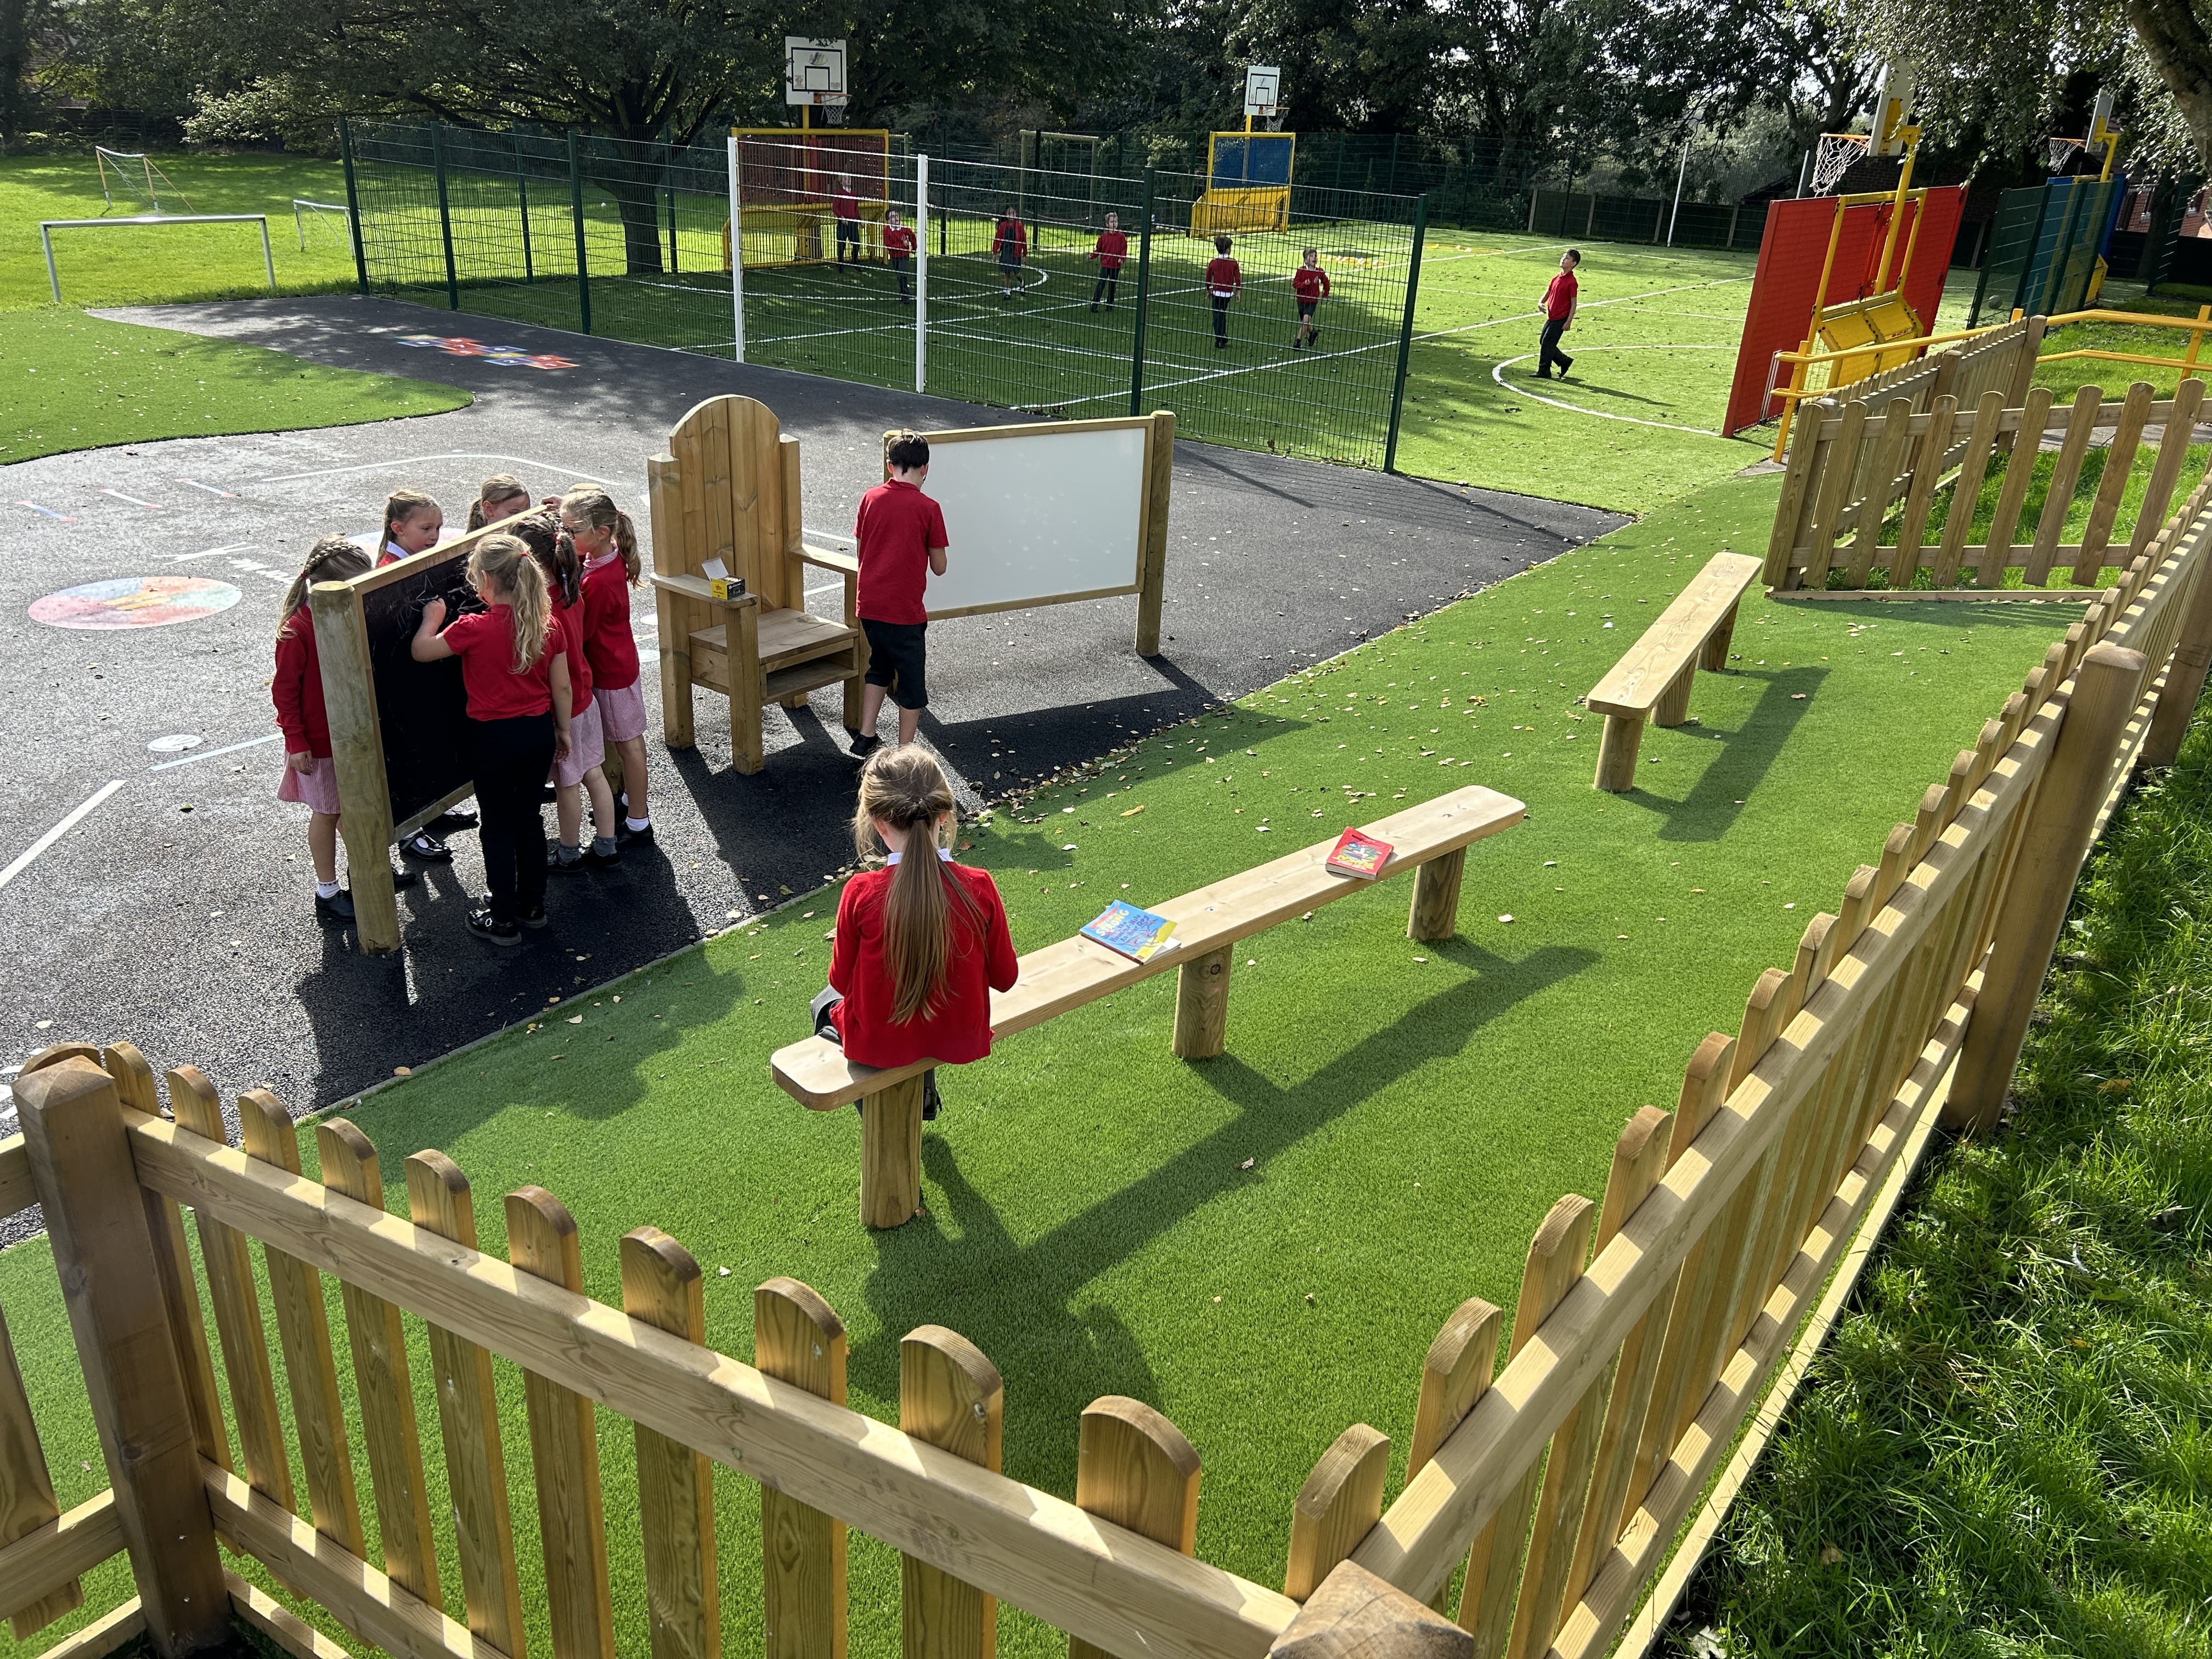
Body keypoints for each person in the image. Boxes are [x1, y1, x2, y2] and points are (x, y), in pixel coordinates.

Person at [813, 746, 1017, 1122]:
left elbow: (839, 981)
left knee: (822, 1003)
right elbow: (1006, 979)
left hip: (879, 1043)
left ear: (877, 823)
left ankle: (882, 1115)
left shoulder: (860, 892)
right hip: (956, 1033)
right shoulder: (980, 885)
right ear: (944, 814)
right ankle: (922, 1087)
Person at [409, 534, 572, 945]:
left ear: (484, 579)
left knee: (497, 827)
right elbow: (563, 687)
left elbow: (422, 653)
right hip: (537, 733)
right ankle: (532, 906)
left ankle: (502, 918)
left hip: (493, 739)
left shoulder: (473, 628)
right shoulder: (547, 626)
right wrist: (563, 730)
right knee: (530, 820)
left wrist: (432, 618)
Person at [274, 534, 384, 923]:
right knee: (327, 812)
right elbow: (284, 692)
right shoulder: (297, 630)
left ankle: (366, 876)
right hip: (318, 744)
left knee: (348, 813)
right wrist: (297, 741)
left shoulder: (340, 617)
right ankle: (328, 890)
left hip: (348, 737)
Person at [515, 513, 619, 873]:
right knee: (594, 773)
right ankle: (607, 845)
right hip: (584, 697)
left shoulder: (541, 607)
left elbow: (553, 675)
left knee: (567, 784)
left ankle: (569, 852)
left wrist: (559, 724)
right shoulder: (571, 589)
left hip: (565, 709)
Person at [562, 485, 654, 844]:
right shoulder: (605, 556)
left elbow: (583, 632)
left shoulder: (598, 581)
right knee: (625, 742)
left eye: (572, 532)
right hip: (616, 665)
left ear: (600, 533)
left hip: (612, 673)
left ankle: (638, 821)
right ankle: (632, 801)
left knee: (629, 745)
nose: (566, 537)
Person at [849, 431, 949, 759]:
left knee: (879, 665)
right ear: (926, 469)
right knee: (911, 684)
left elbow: (862, 550)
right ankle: (905, 752)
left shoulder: (870, 498)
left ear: (890, 466)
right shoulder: (929, 508)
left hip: (870, 606)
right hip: (905, 612)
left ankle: (866, 736)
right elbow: (939, 566)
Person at [1538, 249, 1579, 380]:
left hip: (1561, 318)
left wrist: (1568, 321)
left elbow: (1573, 303)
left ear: (1573, 264)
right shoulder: (1557, 277)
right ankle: (1564, 361)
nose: (1563, 259)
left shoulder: (1572, 282)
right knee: (1544, 342)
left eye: (1568, 258)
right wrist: (1541, 302)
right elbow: (1549, 291)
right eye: (1563, 257)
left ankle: (1544, 370)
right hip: (1552, 316)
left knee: (1547, 343)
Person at [377, 490, 443, 566]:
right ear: (399, 529)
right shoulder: (391, 570)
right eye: (426, 528)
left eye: (438, 528)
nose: (434, 536)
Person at [1205, 234, 1242, 349]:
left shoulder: (1213, 263)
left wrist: (1209, 290)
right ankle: (1223, 335)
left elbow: (1208, 278)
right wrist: (1238, 292)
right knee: (1222, 313)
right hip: (1228, 293)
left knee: (1217, 316)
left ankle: (1219, 339)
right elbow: (1238, 278)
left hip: (1217, 292)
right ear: (1227, 250)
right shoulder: (1233, 263)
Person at [1088, 212, 1128, 311]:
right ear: (1107, 224)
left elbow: (1124, 249)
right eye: (1111, 222)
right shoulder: (1103, 238)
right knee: (1101, 284)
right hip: (1106, 265)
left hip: (1116, 266)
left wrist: (1122, 258)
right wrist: (1092, 256)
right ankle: (1095, 305)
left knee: (1112, 286)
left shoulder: (1121, 237)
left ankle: (1110, 305)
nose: (1114, 224)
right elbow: (1099, 250)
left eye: (1115, 222)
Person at [1291, 247, 1330, 349]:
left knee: (1305, 320)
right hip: (1301, 300)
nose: (1315, 258)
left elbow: (1326, 282)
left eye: (1315, 256)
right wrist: (1304, 284)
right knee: (1305, 322)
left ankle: (1298, 342)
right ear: (1306, 260)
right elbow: (1295, 284)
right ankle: (1313, 333)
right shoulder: (1301, 271)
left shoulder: (1319, 272)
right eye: (1311, 256)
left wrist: (1325, 293)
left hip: (1312, 301)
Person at [465, 474, 533, 532]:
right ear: (489, 509)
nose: (524, 520)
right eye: (515, 513)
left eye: (527, 513)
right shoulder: (482, 546)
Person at [992, 206, 1027, 298]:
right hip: (1007, 252)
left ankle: (1022, 282)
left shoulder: (1019, 226)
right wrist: (995, 252)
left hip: (1016, 253)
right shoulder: (1003, 226)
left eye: (1013, 213)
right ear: (1006, 215)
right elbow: (997, 239)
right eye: (1009, 213)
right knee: (1007, 272)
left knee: (1017, 273)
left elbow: (1024, 240)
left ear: (1016, 215)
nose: (1012, 215)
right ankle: (1007, 292)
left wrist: (1025, 254)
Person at [883, 207, 916, 303]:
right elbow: (889, 245)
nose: (896, 218)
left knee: (902, 274)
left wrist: (914, 248)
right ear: (888, 221)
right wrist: (903, 244)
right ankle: (903, 293)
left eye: (897, 215)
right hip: (894, 257)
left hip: (904, 256)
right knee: (899, 276)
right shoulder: (886, 231)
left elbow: (912, 237)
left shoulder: (905, 229)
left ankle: (906, 295)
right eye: (893, 217)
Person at [832, 174, 862, 265]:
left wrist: (859, 220)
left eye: (850, 179)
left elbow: (856, 209)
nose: (849, 181)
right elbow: (835, 208)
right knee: (842, 244)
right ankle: (840, 264)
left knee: (856, 243)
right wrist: (841, 217)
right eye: (846, 179)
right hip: (843, 223)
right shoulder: (839, 194)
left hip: (853, 223)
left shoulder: (854, 194)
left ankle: (855, 261)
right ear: (841, 182)